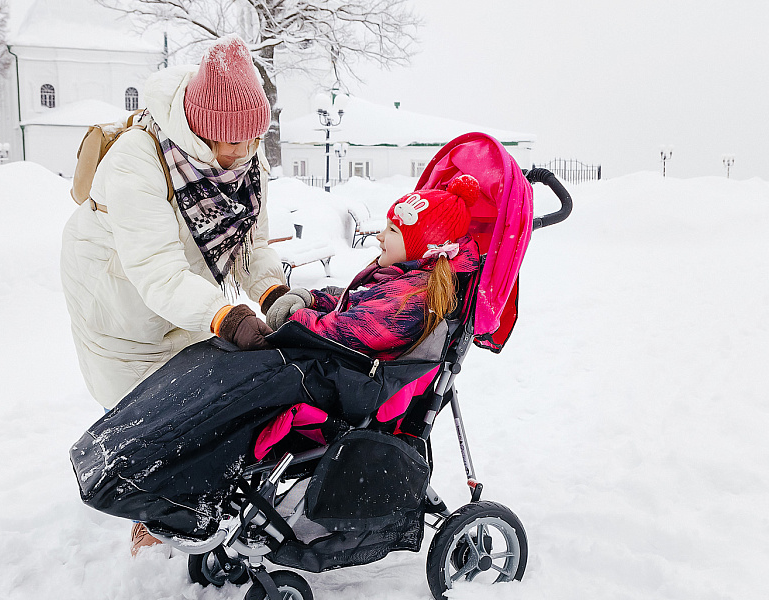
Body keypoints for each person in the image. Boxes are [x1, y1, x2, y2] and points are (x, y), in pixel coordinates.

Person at [60, 36, 289, 555]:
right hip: (115, 292)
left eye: (250, 141)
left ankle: (185, 506)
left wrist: (274, 294)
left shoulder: (248, 162)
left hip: (190, 283)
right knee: (144, 410)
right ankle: (148, 520)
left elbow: (251, 249)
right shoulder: (138, 160)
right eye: (225, 142)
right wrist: (227, 316)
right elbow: (157, 273)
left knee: (195, 400)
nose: (238, 154)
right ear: (195, 126)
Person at [266, 174, 485, 360]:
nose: (380, 236)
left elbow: (343, 332)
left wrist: (295, 317)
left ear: (425, 247)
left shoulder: (413, 298)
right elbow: (359, 303)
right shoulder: (403, 280)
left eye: (393, 231)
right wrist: (313, 299)